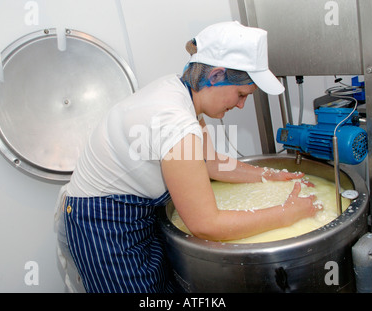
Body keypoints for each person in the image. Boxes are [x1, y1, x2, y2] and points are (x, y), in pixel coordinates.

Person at [56, 21, 322, 293]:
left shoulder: (179, 93)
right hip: (102, 225)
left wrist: (272, 176)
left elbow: (211, 162)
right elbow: (206, 225)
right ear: (216, 75)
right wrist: (287, 213)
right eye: (241, 94)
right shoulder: (175, 121)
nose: (241, 104)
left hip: (132, 214)